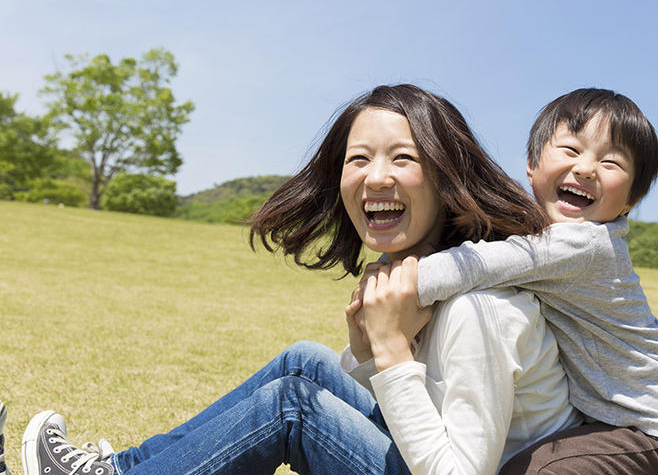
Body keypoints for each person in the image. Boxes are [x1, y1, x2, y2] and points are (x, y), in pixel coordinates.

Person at [20, 84, 582, 475]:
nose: (375, 176)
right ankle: (122, 468)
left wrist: (390, 350)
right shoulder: (422, 281)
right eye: (358, 159)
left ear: (447, 179)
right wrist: (368, 356)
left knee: (294, 405)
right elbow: (414, 420)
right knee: (306, 360)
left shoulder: (477, 309)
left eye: (403, 159)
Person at [394, 88, 658, 474]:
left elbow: (478, 265)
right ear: (532, 165)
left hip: (647, 430)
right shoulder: (547, 237)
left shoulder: (587, 244)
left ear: (629, 203)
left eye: (611, 162)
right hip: (597, 421)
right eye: (571, 150)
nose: (586, 168)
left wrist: (400, 281)